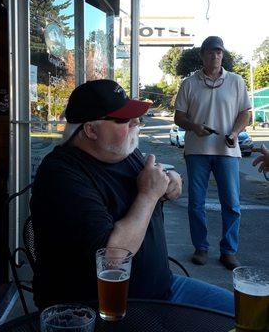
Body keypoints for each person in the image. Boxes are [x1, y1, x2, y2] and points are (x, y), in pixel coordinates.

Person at [31, 79, 234, 314]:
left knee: (251, 315)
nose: (136, 123)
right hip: (103, 309)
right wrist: (149, 195)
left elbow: (151, 179)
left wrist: (170, 179)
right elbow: (112, 260)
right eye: (124, 120)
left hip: (163, 289)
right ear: (90, 130)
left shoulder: (123, 152)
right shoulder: (61, 175)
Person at [174, 36, 251, 270]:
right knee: (196, 203)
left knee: (232, 203)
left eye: (218, 52)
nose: (215, 56)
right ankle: (201, 247)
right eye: (210, 52)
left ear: (222, 54)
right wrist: (195, 127)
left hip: (226, 151)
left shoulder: (237, 81)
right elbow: (179, 117)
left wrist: (235, 133)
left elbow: (245, 113)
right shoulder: (189, 83)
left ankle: (229, 250)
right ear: (202, 55)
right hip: (197, 151)